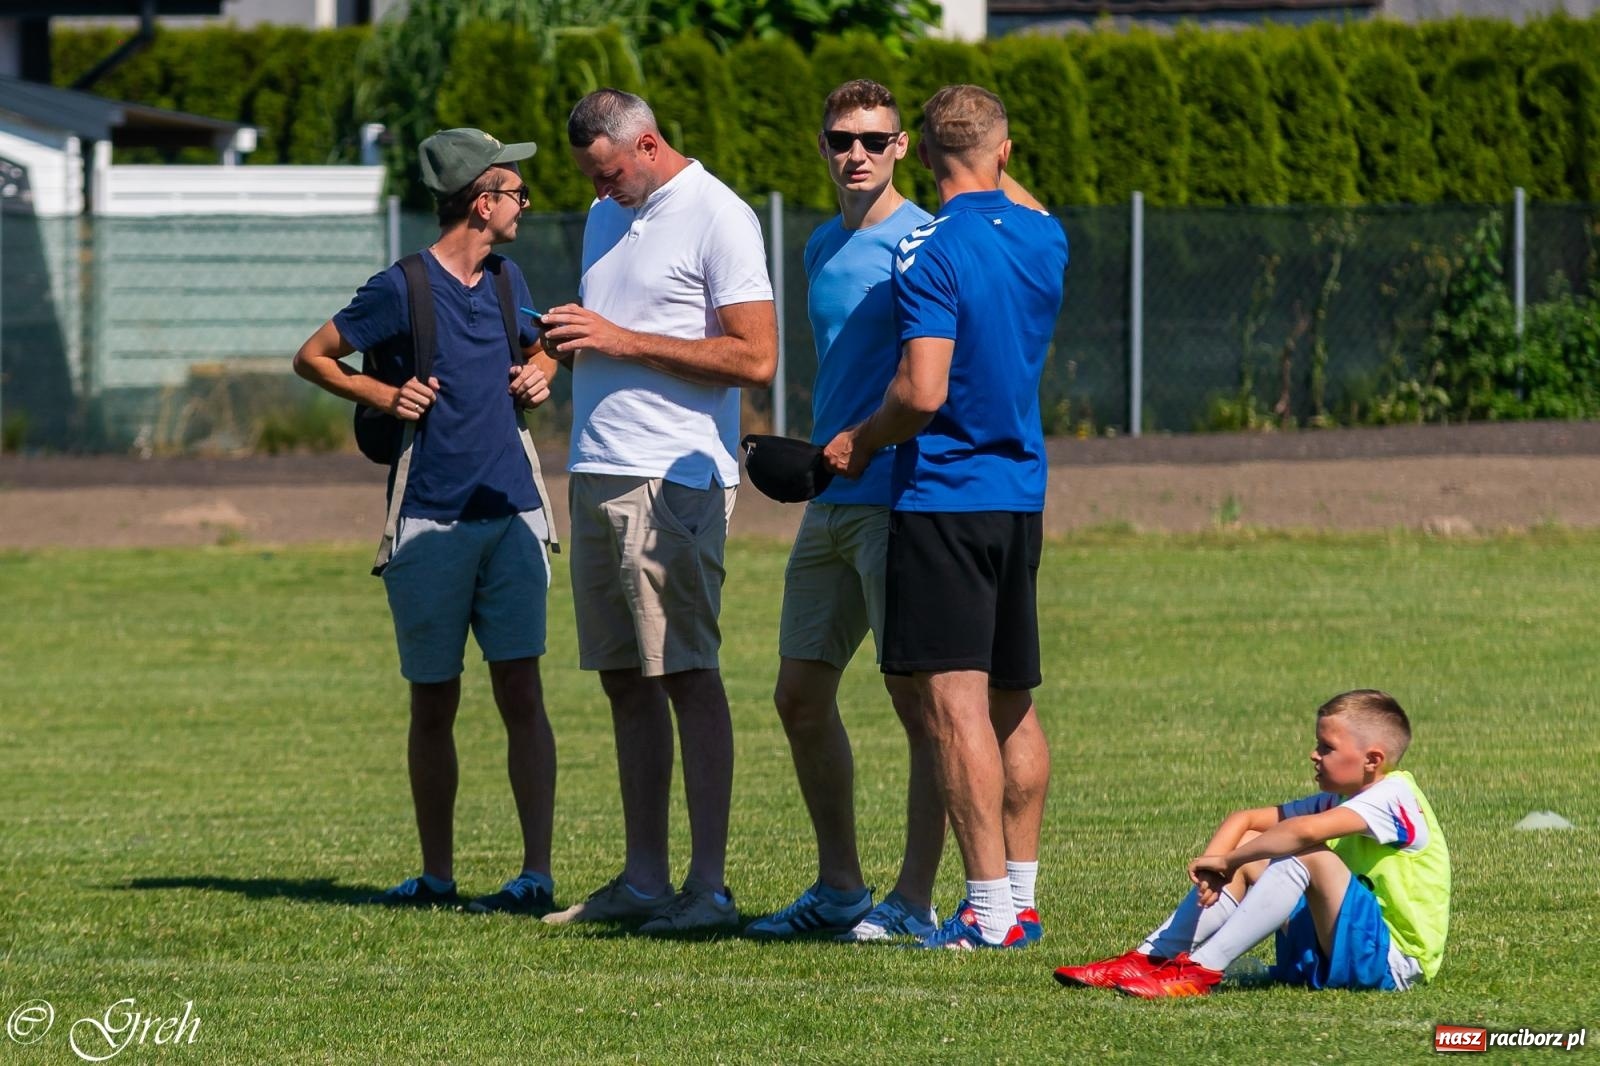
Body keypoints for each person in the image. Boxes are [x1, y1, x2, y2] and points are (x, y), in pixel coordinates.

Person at [823, 85, 1068, 949]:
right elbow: (1016, 194)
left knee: (955, 706)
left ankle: (988, 910)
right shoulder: (1044, 235)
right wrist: (993, 158)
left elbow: (922, 392)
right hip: (1020, 498)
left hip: (944, 497)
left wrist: (859, 440)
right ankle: (1024, 900)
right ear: (1005, 151)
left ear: (920, 158)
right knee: (1013, 705)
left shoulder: (926, 249)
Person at [292, 127, 560, 916]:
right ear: (483, 201)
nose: (526, 204)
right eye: (515, 192)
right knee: (433, 701)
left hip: (513, 516)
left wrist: (541, 368)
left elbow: (549, 344)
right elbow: (313, 355)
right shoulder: (398, 287)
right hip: (427, 525)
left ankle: (535, 875)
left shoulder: (511, 280)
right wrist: (383, 395)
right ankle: (438, 878)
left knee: (523, 692)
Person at [536, 89, 777, 934]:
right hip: (596, 470)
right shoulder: (611, 215)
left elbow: (755, 358)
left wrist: (617, 340)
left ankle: (707, 887)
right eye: (589, 180)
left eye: (608, 175)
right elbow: (608, 328)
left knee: (684, 673)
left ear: (647, 144)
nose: (599, 193)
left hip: (671, 482)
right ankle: (642, 879)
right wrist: (552, 353)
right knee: (621, 679)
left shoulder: (720, 214)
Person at [1055, 690, 1451, 997]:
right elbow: (1244, 820)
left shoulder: (1394, 796)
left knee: (1303, 853)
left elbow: (1301, 834)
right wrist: (1219, 863)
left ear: (1372, 759)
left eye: (1326, 747)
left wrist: (1228, 859)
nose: (1314, 754)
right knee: (1254, 843)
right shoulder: (1344, 797)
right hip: (1342, 949)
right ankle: (1148, 958)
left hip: (1392, 965)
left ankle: (1201, 969)